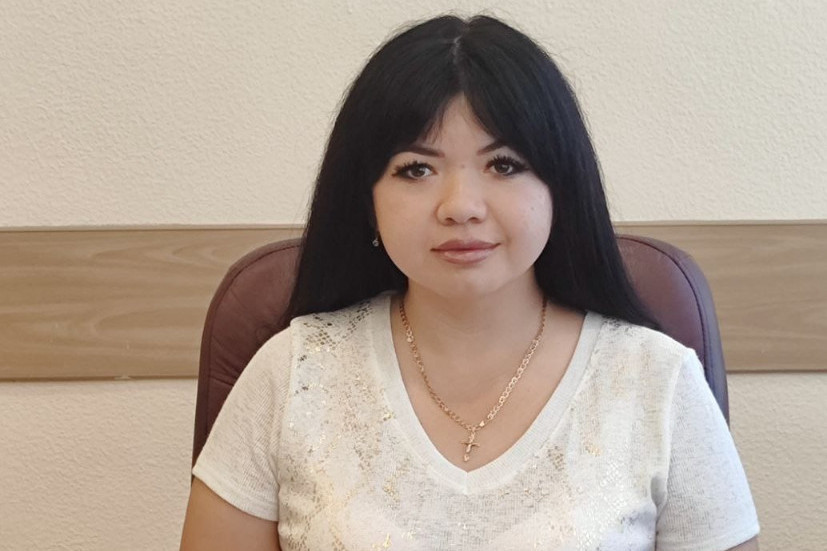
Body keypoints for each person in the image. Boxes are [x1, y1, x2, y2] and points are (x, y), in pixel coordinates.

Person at [180, 15, 760, 551]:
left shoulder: (659, 382)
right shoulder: (292, 374)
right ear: (365, 199)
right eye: (416, 169)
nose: (461, 206)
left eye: (504, 164)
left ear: (560, 187)